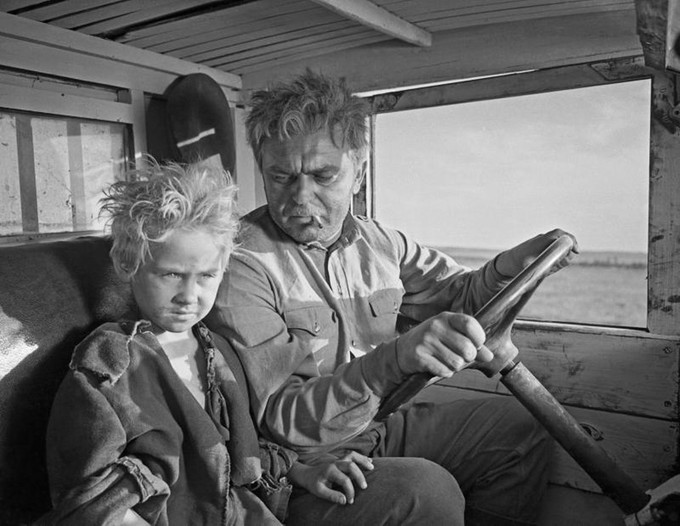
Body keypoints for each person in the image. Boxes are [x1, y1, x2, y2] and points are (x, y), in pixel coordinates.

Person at [206, 70, 579, 526]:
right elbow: (285, 422)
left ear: (358, 174)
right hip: (298, 468)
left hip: (376, 427)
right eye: (281, 176)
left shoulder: (380, 243)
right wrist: (396, 358)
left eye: (323, 175)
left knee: (517, 430)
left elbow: (461, 298)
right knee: (426, 491)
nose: (300, 196)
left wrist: (507, 268)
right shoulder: (240, 264)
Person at [40, 160, 375, 526]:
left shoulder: (217, 350)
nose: (189, 295)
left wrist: (302, 471)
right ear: (127, 264)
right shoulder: (108, 364)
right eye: (171, 274)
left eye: (206, 276)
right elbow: (88, 496)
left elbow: (238, 452)